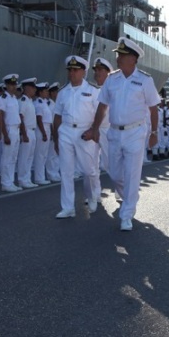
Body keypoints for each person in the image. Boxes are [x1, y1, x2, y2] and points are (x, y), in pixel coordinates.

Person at [90, 37, 161, 232]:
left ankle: (127, 214)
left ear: (133, 58)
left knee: (131, 173)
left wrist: (154, 132)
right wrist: (95, 128)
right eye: (118, 55)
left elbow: (154, 109)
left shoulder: (145, 80)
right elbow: (103, 106)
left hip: (136, 132)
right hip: (114, 132)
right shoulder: (112, 79)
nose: (118, 58)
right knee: (113, 172)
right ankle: (130, 195)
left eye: (122, 55)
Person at [52, 55, 101, 218]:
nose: (72, 73)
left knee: (89, 170)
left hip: (84, 133)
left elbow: (100, 113)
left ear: (83, 72)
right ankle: (68, 207)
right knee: (66, 171)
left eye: (75, 70)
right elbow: (57, 116)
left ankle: (93, 195)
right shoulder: (63, 92)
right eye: (70, 70)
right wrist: (56, 139)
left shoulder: (93, 91)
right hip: (65, 131)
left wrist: (93, 130)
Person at [0, 74, 22, 192]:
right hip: (8, 129)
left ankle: (10, 181)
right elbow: (1, 116)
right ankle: (5, 183)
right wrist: (4, 134)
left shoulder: (14, 99)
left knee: (13, 158)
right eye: (11, 84)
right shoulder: (4, 98)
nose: (13, 86)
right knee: (6, 157)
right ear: (6, 85)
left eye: (15, 84)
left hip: (16, 130)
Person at [16, 77, 39, 188]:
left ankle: (27, 178)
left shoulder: (30, 101)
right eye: (33, 88)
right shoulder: (23, 101)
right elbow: (21, 117)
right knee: (24, 157)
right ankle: (22, 179)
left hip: (32, 131)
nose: (35, 90)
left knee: (29, 157)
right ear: (27, 88)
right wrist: (24, 134)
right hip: (27, 131)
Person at [92, 58, 112, 170]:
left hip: (108, 130)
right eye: (96, 70)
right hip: (93, 129)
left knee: (111, 165)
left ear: (108, 73)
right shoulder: (91, 90)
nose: (97, 73)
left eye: (100, 70)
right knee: (91, 166)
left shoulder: (113, 90)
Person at [32, 82, 52, 184]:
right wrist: (44, 133)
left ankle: (41, 176)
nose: (47, 92)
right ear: (40, 92)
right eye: (45, 91)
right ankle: (39, 178)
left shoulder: (44, 102)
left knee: (44, 155)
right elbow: (39, 119)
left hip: (46, 128)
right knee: (40, 155)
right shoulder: (38, 104)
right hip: (41, 129)